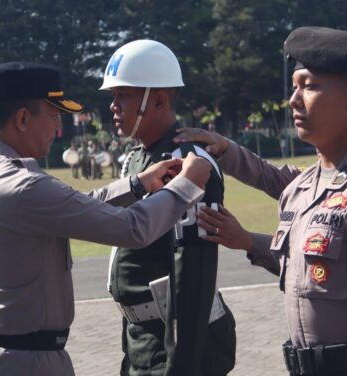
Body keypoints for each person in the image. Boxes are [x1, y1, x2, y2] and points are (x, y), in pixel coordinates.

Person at [177, 27, 347, 376]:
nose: (294, 99)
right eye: (294, 86)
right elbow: (305, 267)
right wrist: (227, 153)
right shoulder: (309, 184)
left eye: (308, 86)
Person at [0, 61, 212, 375]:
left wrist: (136, 184)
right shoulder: (23, 186)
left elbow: (70, 207)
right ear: (22, 118)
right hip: (22, 361)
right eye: (54, 115)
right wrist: (187, 185)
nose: (58, 128)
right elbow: (133, 229)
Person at [100, 39, 236, 376]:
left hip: (180, 344)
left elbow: (191, 277)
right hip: (142, 339)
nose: (114, 106)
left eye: (123, 95)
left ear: (158, 99)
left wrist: (180, 366)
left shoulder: (187, 162)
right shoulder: (137, 159)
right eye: (113, 97)